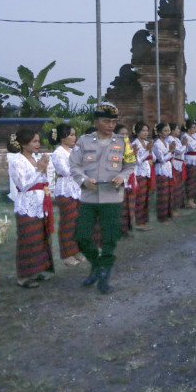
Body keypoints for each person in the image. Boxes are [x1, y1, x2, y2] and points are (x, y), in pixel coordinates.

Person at [69, 102, 136, 294]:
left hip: (112, 197)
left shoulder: (124, 142)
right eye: (106, 121)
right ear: (95, 121)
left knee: (109, 238)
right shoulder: (83, 141)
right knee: (81, 236)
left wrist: (121, 177)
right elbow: (73, 165)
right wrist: (83, 180)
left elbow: (131, 165)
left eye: (113, 122)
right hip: (89, 197)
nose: (110, 125)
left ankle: (104, 276)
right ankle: (96, 265)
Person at [6, 130, 55, 289]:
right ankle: (24, 276)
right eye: (34, 141)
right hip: (27, 204)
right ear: (23, 144)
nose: (37, 144)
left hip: (40, 203)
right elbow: (23, 185)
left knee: (40, 238)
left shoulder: (35, 159)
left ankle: (37, 270)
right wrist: (39, 169)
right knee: (28, 239)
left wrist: (45, 170)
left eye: (38, 141)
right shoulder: (16, 161)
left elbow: (44, 180)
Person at [49, 124, 84, 267]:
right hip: (66, 188)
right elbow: (67, 171)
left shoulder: (73, 151)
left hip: (77, 188)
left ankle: (77, 249)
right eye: (71, 135)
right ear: (63, 137)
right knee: (68, 222)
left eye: (75, 134)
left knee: (78, 221)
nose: (74, 137)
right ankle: (66, 253)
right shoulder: (58, 153)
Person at [131, 122, 154, 229]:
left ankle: (144, 220)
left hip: (147, 172)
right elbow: (137, 161)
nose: (145, 133)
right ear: (137, 132)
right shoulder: (135, 144)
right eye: (143, 131)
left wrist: (150, 150)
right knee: (140, 198)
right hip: (139, 173)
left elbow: (152, 158)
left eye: (146, 130)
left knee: (146, 197)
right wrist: (147, 151)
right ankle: (139, 221)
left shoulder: (146, 142)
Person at [115, 124, 136, 237]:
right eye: (122, 134)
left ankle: (128, 228)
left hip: (129, 179)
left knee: (129, 205)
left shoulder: (129, 147)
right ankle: (121, 230)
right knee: (121, 207)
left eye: (126, 134)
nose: (124, 136)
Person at [152, 123, 174, 222]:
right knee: (162, 194)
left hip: (167, 169)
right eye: (165, 131)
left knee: (168, 193)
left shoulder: (166, 142)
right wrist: (171, 152)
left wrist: (171, 152)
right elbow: (161, 159)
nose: (167, 133)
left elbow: (169, 156)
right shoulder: (157, 144)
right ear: (159, 133)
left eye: (168, 130)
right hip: (161, 170)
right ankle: (162, 216)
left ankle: (168, 214)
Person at [168, 123, 187, 211]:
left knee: (179, 185)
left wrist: (184, 145)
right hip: (175, 163)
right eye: (177, 128)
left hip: (180, 163)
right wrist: (184, 145)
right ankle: (173, 207)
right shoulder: (170, 139)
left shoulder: (177, 139)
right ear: (172, 131)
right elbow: (178, 151)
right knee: (175, 185)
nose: (179, 130)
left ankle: (178, 205)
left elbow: (184, 150)